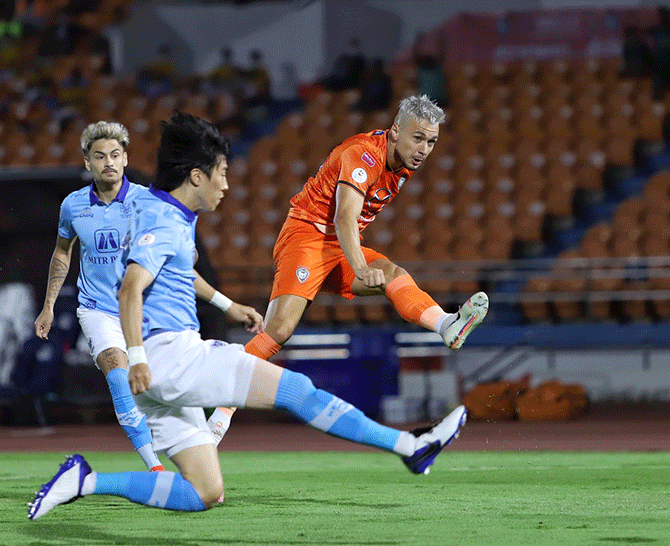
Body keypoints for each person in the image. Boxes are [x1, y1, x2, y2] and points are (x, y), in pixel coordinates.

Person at [27, 111, 467, 520]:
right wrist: (138, 356)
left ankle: (86, 481)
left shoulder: (162, 210)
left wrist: (226, 305)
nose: (226, 185)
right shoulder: (164, 219)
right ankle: (412, 445)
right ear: (196, 176)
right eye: (220, 174)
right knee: (298, 390)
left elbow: (170, 270)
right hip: (173, 357)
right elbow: (130, 290)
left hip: (159, 376)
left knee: (204, 493)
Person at [33, 120, 257, 474]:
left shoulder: (148, 203)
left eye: (116, 154)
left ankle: (215, 424)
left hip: (142, 311)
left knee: (168, 388)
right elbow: (62, 253)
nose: (109, 162)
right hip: (98, 311)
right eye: (100, 155)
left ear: (125, 159)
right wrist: (48, 306)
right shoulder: (73, 206)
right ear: (87, 162)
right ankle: (154, 468)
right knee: (121, 381)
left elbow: (177, 267)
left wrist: (229, 305)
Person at [243, 94, 489, 367]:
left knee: (393, 274)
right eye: (418, 138)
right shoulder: (365, 154)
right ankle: (217, 377)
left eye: (431, 142)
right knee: (279, 331)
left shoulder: (404, 162)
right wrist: (360, 268)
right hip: (307, 236)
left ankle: (446, 324)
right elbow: (344, 217)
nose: (424, 149)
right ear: (395, 130)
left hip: (337, 245)